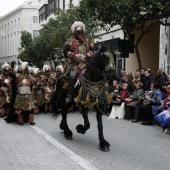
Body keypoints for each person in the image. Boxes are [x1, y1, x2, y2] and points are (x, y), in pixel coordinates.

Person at [63, 21, 94, 103]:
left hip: (86, 63)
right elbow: (65, 51)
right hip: (75, 64)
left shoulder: (87, 41)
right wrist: (73, 55)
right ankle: (69, 95)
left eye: (81, 31)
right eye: (78, 32)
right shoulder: (70, 41)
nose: (80, 33)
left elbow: (92, 51)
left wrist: (88, 54)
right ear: (74, 32)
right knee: (72, 75)